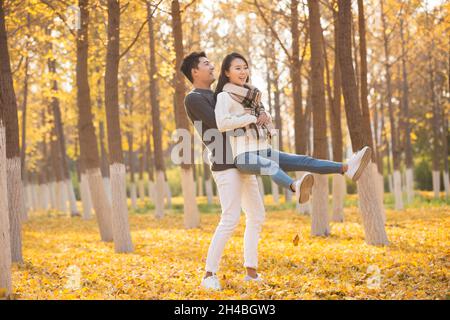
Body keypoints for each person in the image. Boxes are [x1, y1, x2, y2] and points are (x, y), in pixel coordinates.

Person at [214, 52, 372, 204]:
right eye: (237, 68)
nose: (243, 72)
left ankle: (347, 168)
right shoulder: (224, 96)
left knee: (305, 160)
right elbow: (222, 124)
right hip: (243, 155)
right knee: (271, 166)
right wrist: (251, 118)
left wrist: (265, 116)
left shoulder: (253, 95)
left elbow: (259, 117)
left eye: (245, 67)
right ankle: (295, 187)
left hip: (264, 149)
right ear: (227, 72)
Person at [181, 52, 266, 291]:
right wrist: (249, 117)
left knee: (257, 216)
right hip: (224, 163)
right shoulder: (194, 98)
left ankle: (251, 272)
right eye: (206, 64)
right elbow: (220, 123)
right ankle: (209, 275)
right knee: (230, 218)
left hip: (243, 159)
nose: (211, 66)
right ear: (195, 72)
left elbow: (238, 118)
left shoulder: (221, 94)